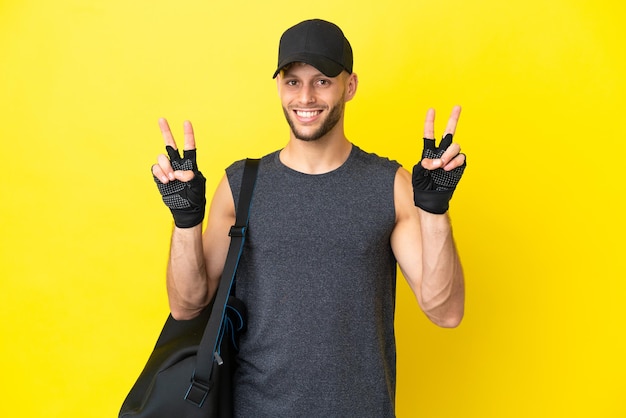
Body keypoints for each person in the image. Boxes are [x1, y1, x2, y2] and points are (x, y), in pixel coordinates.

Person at [152, 18, 466, 418]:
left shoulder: (390, 186)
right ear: (279, 87)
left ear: (349, 86)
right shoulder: (241, 185)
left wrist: (435, 210)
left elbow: (446, 311)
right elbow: (186, 306)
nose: (305, 97)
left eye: (322, 81)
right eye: (292, 81)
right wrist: (185, 221)